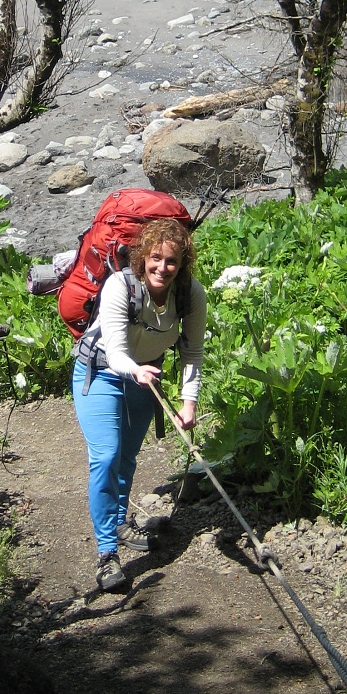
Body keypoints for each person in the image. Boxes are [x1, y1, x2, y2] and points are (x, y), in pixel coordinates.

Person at [71, 217, 207, 592]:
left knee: (127, 457)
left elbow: (193, 351)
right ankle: (107, 554)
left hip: (147, 376)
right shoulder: (120, 285)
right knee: (106, 457)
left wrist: (189, 403)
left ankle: (118, 522)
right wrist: (136, 371)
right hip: (100, 372)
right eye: (156, 258)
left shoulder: (191, 294)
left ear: (182, 264)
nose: (162, 267)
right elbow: (116, 352)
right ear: (143, 256)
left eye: (172, 261)